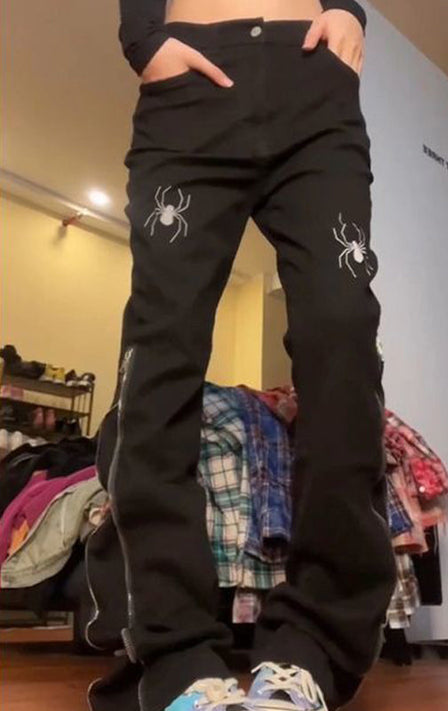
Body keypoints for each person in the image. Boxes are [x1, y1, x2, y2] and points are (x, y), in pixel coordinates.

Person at [85, 1, 397, 710]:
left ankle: (315, 649)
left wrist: (348, 11)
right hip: (191, 86)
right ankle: (173, 654)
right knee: (161, 351)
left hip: (313, 87)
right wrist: (145, 39)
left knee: (342, 334)